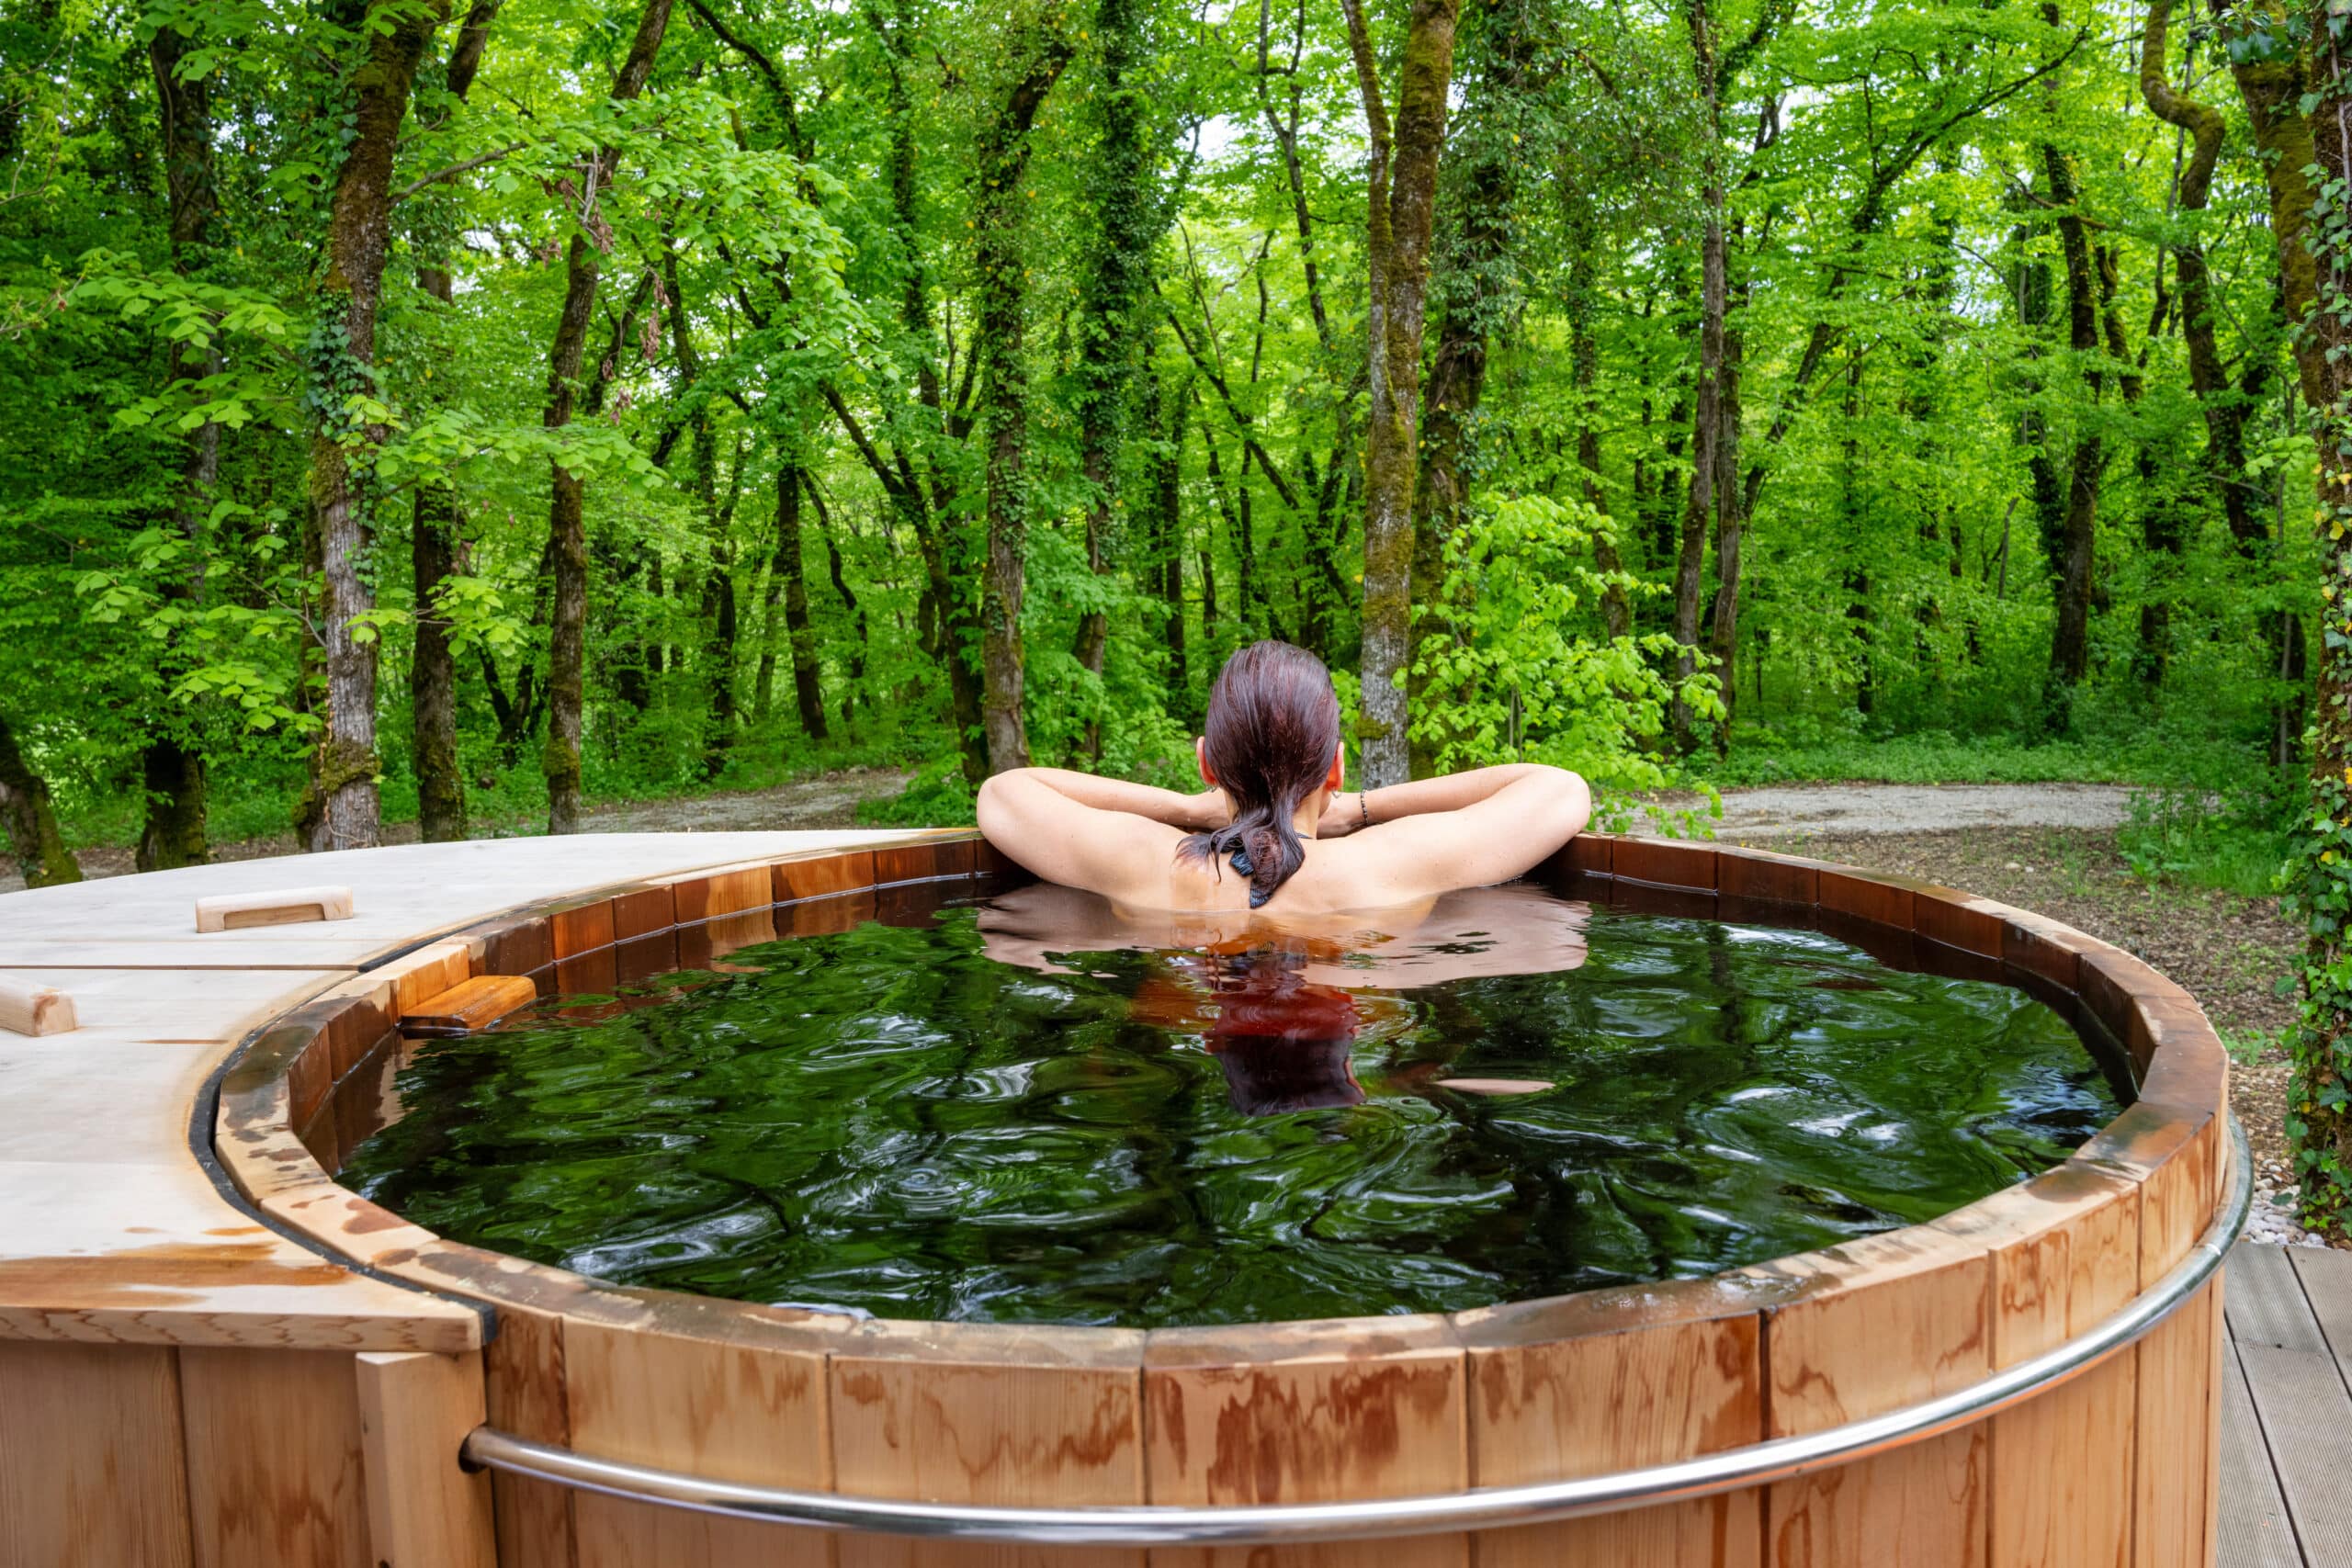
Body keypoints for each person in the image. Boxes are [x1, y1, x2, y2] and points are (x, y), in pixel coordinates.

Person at [975, 639, 1591, 916]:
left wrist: (1194, 809)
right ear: (1337, 767)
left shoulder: (1150, 863)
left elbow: (1006, 793)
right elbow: (1562, 789)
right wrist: (1357, 809)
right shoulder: (1390, 861)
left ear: (1207, 763)